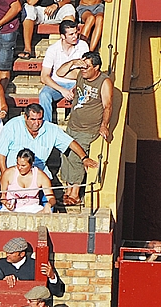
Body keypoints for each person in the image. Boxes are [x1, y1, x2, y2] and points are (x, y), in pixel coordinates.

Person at [58, 51, 111, 206]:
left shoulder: (104, 82)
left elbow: (108, 106)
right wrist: (74, 63)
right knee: (65, 155)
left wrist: (104, 125)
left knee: (77, 157)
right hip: (73, 124)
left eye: (87, 66)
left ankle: (75, 194)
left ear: (96, 67)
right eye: (82, 66)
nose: (83, 69)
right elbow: (60, 73)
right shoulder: (80, 74)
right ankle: (68, 190)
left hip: (88, 129)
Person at [0, 102, 95, 175]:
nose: (37, 123)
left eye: (39, 119)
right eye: (33, 119)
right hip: (13, 173)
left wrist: (84, 158)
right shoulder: (12, 125)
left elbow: (70, 142)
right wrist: (4, 175)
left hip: (38, 175)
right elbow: (0, 153)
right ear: (25, 117)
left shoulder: (51, 129)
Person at [38, 19, 88, 123]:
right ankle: (47, 125)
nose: (75, 36)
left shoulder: (82, 45)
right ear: (63, 36)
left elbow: (84, 72)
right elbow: (44, 77)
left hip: (77, 83)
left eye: (76, 33)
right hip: (57, 83)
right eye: (71, 34)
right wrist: (62, 90)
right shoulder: (53, 49)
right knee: (44, 95)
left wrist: (74, 84)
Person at [0, 236, 67, 297]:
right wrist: (1, 281)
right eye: (7, 252)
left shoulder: (36, 265)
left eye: (11, 253)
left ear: (22, 254)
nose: (7, 255)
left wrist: (52, 277)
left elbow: (57, 292)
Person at [1, 147, 54, 212]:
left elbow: (51, 197)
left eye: (23, 165)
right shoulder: (8, 173)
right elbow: (2, 195)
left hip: (33, 208)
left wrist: (49, 204)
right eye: (18, 164)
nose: (19, 167)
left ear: (31, 164)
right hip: (11, 209)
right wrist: (5, 203)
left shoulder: (40, 176)